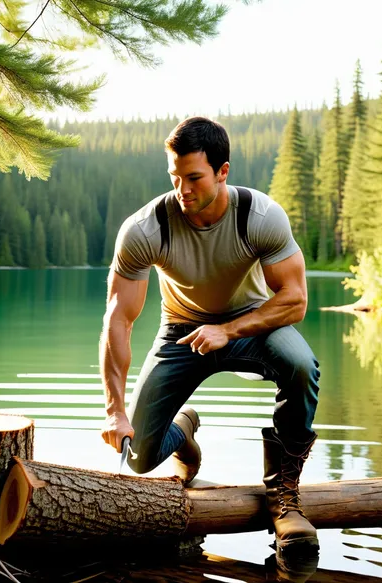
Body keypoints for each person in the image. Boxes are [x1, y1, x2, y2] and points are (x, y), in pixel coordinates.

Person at [100, 116, 321, 561]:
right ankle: (183, 429)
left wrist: (229, 330)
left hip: (255, 324)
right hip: (181, 332)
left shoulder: (259, 217)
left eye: (194, 177)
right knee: (139, 456)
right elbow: (118, 321)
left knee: (300, 364)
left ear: (223, 172)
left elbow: (294, 301)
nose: (183, 190)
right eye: (175, 177)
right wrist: (115, 411)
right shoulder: (145, 229)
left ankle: (284, 496)